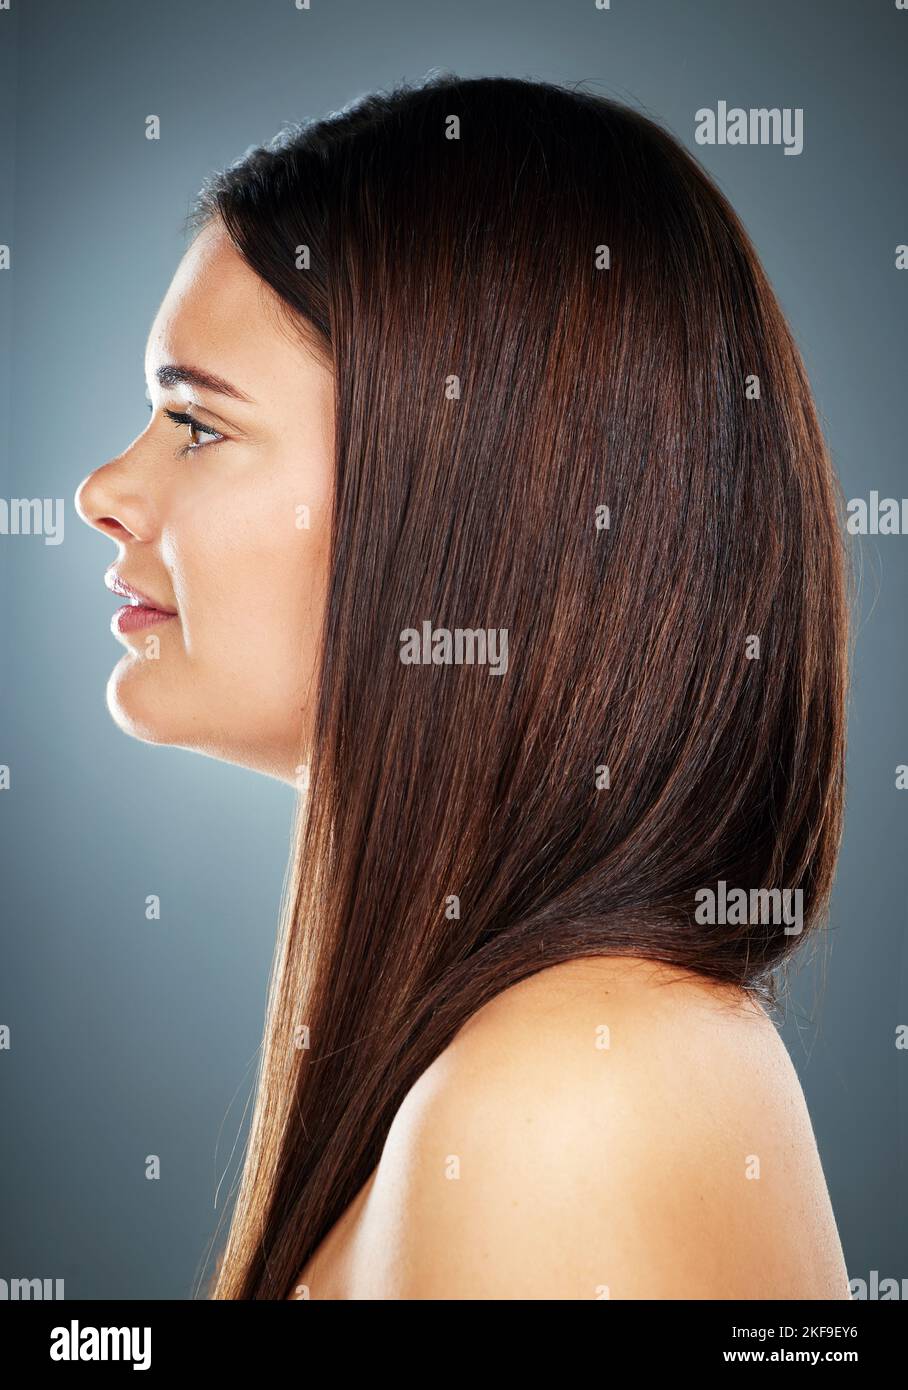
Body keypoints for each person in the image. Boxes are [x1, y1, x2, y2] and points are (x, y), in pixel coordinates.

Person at [74, 74, 851, 1300]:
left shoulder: (568, 1092)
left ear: (470, 497)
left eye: (197, 421)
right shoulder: (562, 1056)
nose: (102, 490)